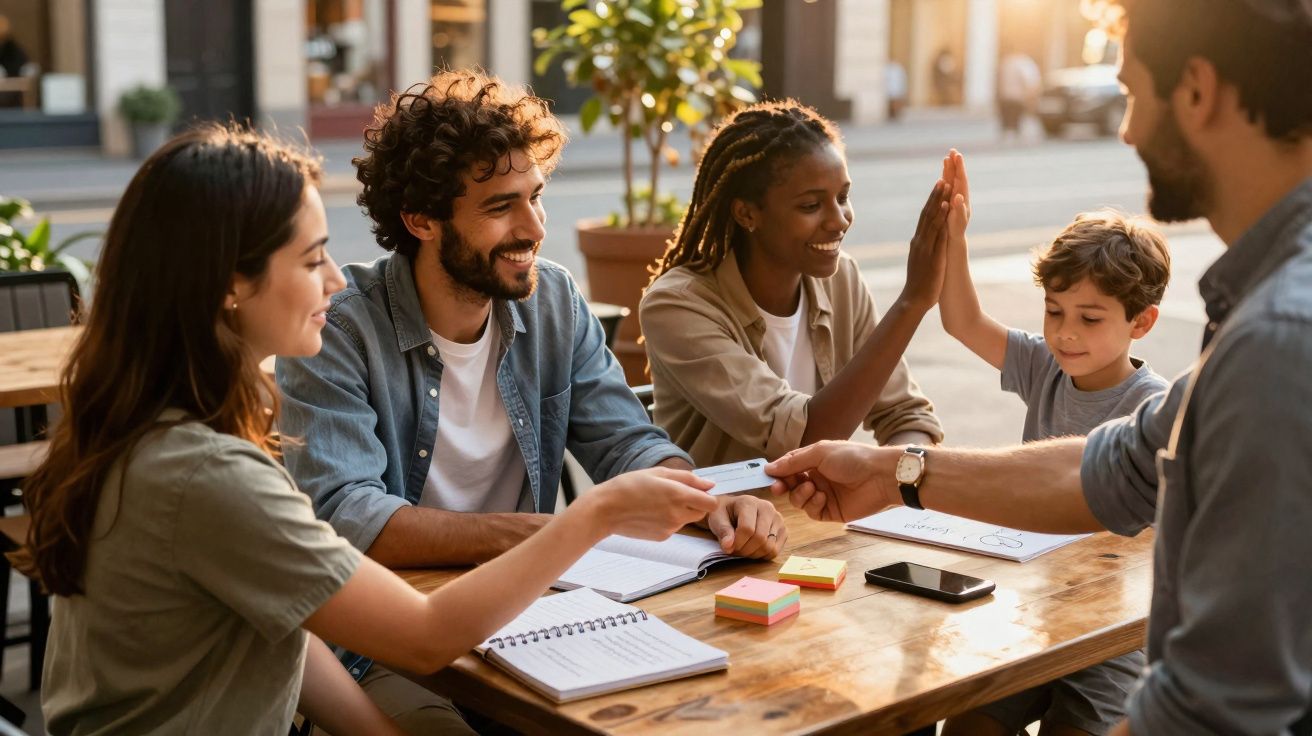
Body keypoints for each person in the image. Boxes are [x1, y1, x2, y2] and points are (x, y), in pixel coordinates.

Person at [19, 123, 719, 735]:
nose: (332, 280)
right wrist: (593, 515)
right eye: (310, 257)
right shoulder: (203, 473)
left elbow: (288, 620)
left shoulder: (160, 428)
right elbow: (421, 638)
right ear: (230, 283)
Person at [768, 0, 1312, 733]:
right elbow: (1119, 468)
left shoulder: (1279, 335)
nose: (1125, 128)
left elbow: (1213, 710)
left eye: (1128, 92)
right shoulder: (1268, 309)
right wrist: (891, 473)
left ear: (1197, 90)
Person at [275, 69, 785, 731]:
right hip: (382, 649)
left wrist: (705, 502)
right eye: (500, 207)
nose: (534, 227)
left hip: (530, 621)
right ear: (421, 219)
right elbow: (352, 519)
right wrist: (571, 531)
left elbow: (627, 444)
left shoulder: (553, 301)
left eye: (536, 197)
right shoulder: (341, 328)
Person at [936, 151, 1172, 736]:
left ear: (1141, 323)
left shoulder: (1154, 406)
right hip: (1027, 607)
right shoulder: (1045, 367)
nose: (1065, 332)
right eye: (1053, 311)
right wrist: (954, 237)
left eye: (1090, 319)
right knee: (969, 724)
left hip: (1110, 632)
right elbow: (962, 321)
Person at [640, 100, 946, 469]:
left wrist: (899, 481)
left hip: (813, 519)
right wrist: (911, 304)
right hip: (714, 522)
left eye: (843, 197)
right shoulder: (677, 306)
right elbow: (802, 440)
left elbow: (907, 417)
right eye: (811, 205)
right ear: (747, 213)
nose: (839, 221)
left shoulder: (841, 279)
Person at [997, 50, 1041, 140]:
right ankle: (1013, 136)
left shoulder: (1007, 61)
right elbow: (1029, 81)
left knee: (1007, 118)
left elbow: (999, 78)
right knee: (1015, 118)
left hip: (1006, 95)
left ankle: (1007, 135)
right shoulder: (1024, 63)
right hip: (1017, 96)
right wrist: (1031, 95)